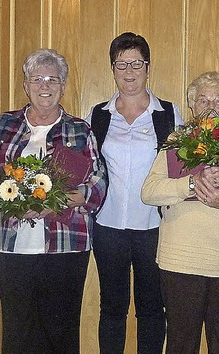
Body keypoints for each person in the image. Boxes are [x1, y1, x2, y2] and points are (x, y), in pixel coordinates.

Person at [0, 48, 106, 353]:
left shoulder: (80, 130)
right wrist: (10, 202)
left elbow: (98, 184)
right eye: (37, 79)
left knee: (62, 330)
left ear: (63, 85)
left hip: (67, 246)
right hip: (11, 245)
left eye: (53, 79)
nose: (45, 86)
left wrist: (56, 202)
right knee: (17, 330)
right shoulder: (2, 126)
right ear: (26, 85)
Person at [141, 71, 219, 353]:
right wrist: (189, 183)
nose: (211, 107)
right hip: (181, 263)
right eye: (203, 100)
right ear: (192, 108)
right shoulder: (176, 143)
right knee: (181, 345)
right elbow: (149, 192)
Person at [86, 32, 183, 354]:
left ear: (148, 66)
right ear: (112, 69)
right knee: (111, 308)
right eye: (121, 64)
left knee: (152, 309)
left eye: (136, 64)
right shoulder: (96, 116)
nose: (129, 72)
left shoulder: (169, 115)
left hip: (154, 227)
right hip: (107, 226)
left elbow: (182, 169)